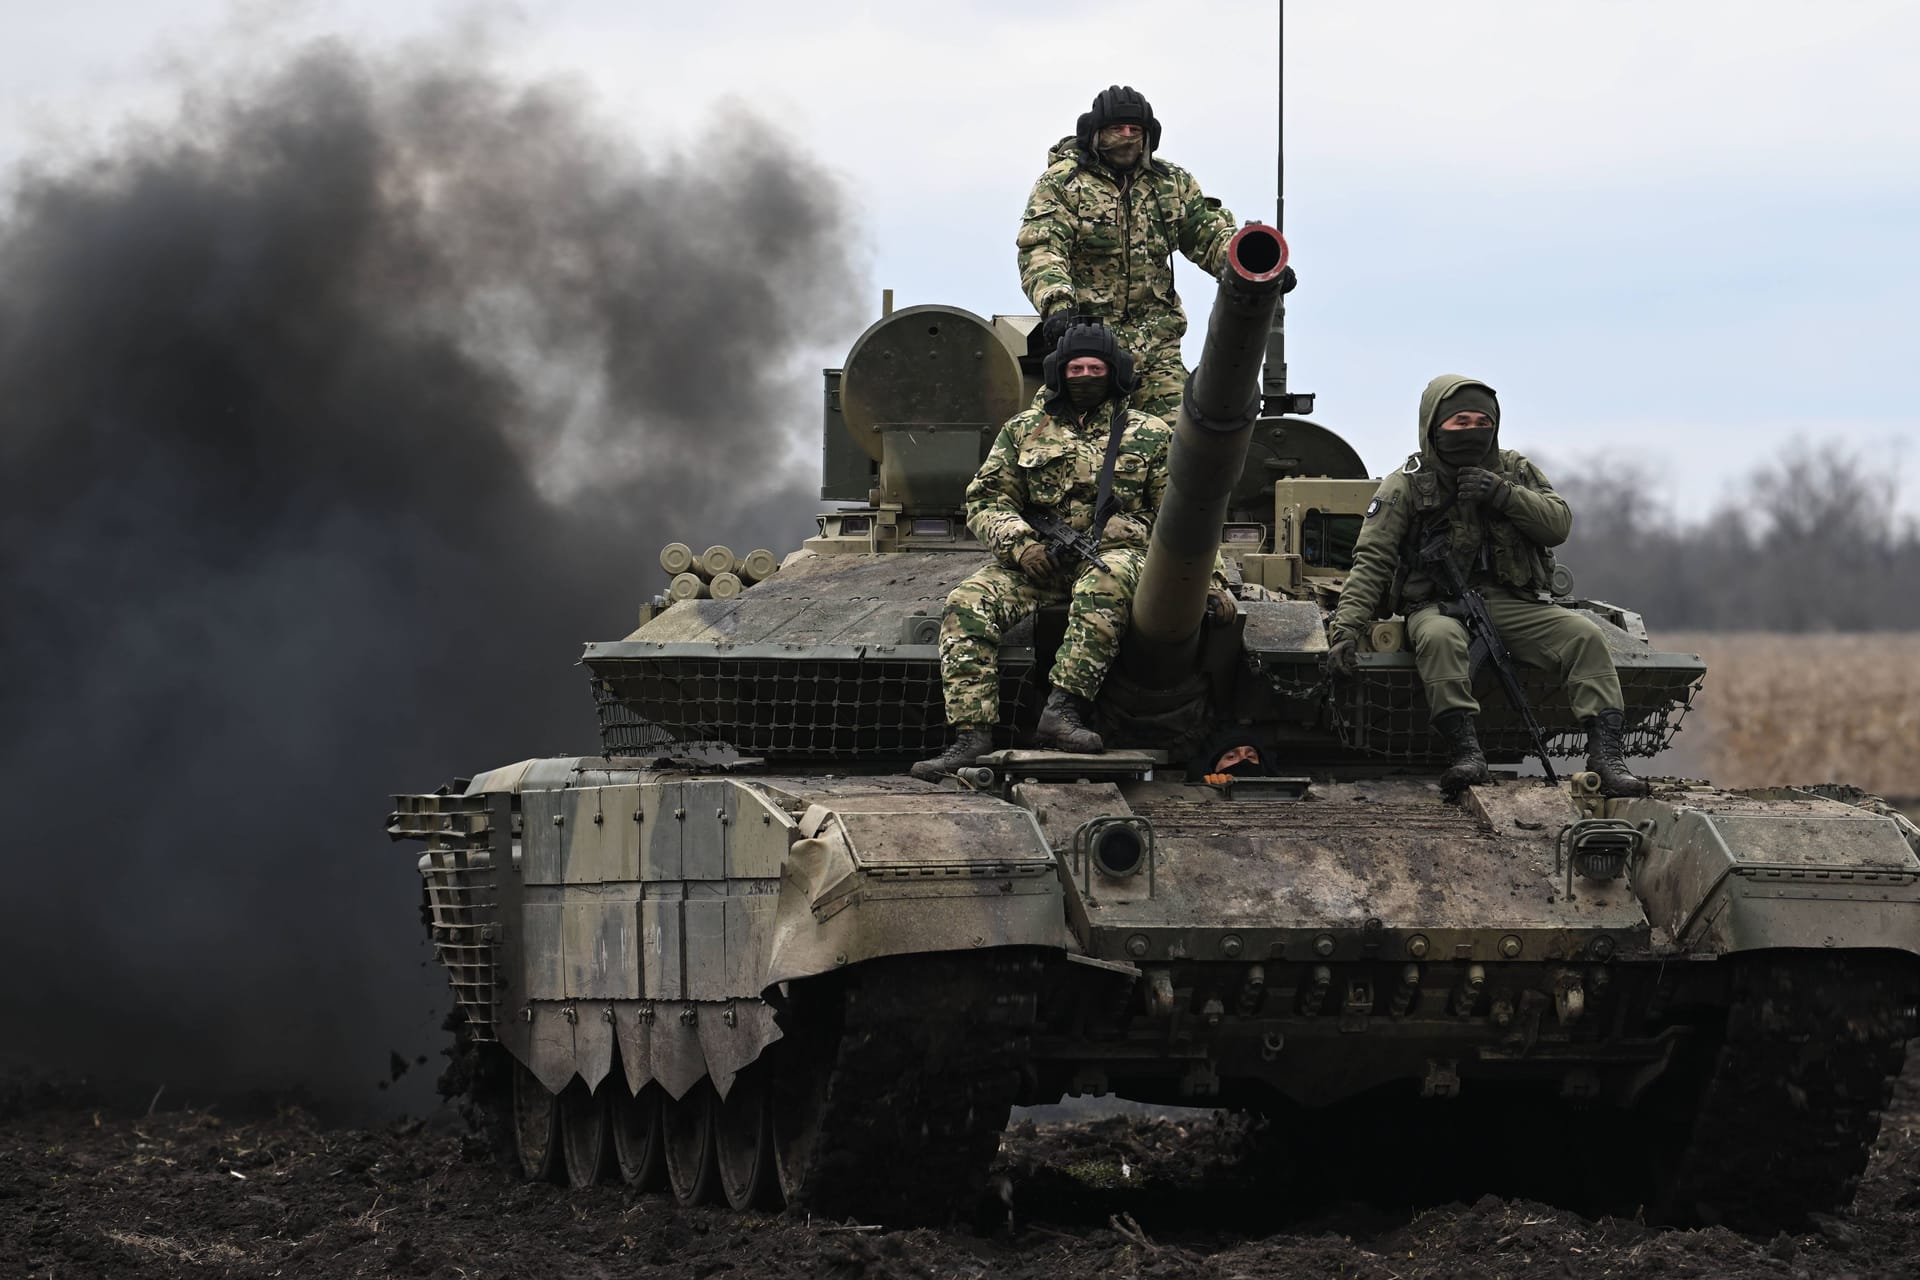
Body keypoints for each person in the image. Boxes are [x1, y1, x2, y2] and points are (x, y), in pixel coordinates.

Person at [912, 321, 1235, 779]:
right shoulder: (1024, 430)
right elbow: (986, 499)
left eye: (1096, 367)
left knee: (1107, 579)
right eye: (1076, 367)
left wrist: (1211, 582)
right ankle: (971, 736)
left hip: (1119, 559)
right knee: (966, 604)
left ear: (1115, 372)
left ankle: (1062, 711)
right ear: (1059, 372)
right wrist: (1021, 546)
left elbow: (1186, 518)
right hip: (1042, 562)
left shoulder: (1151, 434)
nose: (1086, 376)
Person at [1325, 375, 1649, 798]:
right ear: (1434, 425)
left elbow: (1557, 525)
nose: (1472, 430)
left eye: (1482, 421)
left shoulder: (1515, 471)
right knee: (1440, 640)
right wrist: (1346, 629)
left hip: (1514, 602)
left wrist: (1502, 494)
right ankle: (1466, 752)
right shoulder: (1405, 484)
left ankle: (1607, 757)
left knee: (1584, 636)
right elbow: (1372, 561)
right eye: (1460, 421)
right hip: (1437, 605)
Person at [1017, 85, 1293, 421]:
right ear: (1095, 133)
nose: (1127, 138)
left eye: (1136, 131)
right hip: (1086, 345)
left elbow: (1207, 235)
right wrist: (1058, 304)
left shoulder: (1169, 184)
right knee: (1056, 438)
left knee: (1185, 439)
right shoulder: (1064, 183)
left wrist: (1255, 267)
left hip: (1157, 345)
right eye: (1117, 130)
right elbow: (1042, 247)